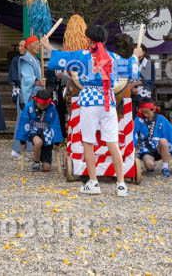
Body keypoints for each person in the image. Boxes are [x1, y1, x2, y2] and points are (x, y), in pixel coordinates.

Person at [45, 24, 142, 196]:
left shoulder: (82, 56)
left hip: (89, 101)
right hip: (108, 101)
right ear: (105, 40)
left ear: (88, 40)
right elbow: (133, 70)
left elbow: (60, 58)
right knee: (112, 142)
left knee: (88, 142)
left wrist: (46, 44)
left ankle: (93, 182)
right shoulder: (113, 58)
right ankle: (120, 185)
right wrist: (135, 56)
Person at [13, 88, 62, 172]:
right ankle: (36, 162)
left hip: (47, 132)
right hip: (33, 130)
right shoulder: (29, 106)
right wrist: (22, 141)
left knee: (47, 168)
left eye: (45, 105)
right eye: (41, 105)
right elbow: (24, 123)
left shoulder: (52, 107)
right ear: (36, 100)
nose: (43, 107)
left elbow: (55, 124)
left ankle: (43, 159)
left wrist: (56, 142)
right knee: (38, 142)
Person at [134, 101, 172, 177]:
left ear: (153, 109)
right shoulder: (139, 120)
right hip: (146, 149)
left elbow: (171, 133)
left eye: (147, 113)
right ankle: (149, 165)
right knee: (149, 165)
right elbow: (132, 134)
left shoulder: (161, 119)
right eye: (143, 112)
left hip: (159, 147)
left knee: (164, 141)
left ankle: (165, 168)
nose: (145, 115)